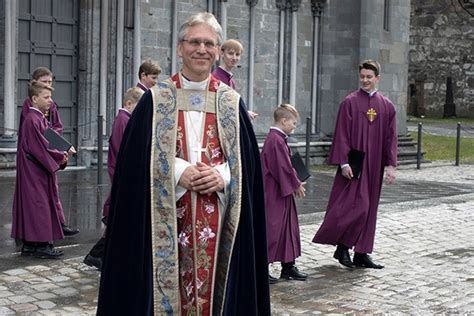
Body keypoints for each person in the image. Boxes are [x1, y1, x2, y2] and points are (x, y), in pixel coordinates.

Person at [97, 12, 270, 315]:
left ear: (217, 51)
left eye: (209, 43)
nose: (201, 49)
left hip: (220, 225)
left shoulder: (230, 102)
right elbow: (132, 168)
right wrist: (177, 172)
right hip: (164, 225)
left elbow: (248, 167)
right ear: (180, 48)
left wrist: (222, 176)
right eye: (194, 42)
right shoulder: (155, 100)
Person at [312, 60, 397, 269]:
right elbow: (341, 133)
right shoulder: (349, 102)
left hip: (374, 165)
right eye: (363, 77)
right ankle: (343, 246)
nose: (365, 80)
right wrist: (342, 162)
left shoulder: (387, 106)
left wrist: (391, 165)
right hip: (354, 165)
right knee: (356, 207)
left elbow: (390, 138)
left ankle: (362, 252)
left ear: (378, 78)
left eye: (369, 77)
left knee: (370, 209)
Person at [11, 81, 74, 259]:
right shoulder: (32, 119)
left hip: (36, 170)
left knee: (36, 206)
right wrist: (60, 157)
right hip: (34, 171)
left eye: (50, 97)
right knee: (39, 206)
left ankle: (31, 245)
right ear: (34, 98)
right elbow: (41, 148)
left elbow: (48, 138)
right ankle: (42, 246)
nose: (50, 101)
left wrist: (65, 148)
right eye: (46, 97)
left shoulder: (38, 118)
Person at [83, 87, 144, 270]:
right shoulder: (123, 120)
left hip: (125, 173)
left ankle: (101, 255)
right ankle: (96, 254)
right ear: (128, 103)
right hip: (123, 174)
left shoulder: (126, 119)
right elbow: (122, 150)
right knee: (118, 219)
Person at [18, 67, 79, 236]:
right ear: (35, 84)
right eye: (44, 82)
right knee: (38, 196)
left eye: (50, 82)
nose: (47, 85)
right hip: (37, 154)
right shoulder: (30, 107)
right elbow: (37, 133)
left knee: (52, 190)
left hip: (50, 148)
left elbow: (56, 127)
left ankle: (58, 223)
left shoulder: (50, 104)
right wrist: (60, 152)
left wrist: (63, 146)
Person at [261, 103, 308, 284]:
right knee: (272, 229)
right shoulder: (275, 140)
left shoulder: (278, 139)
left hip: (281, 192)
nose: (294, 127)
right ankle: (262, 269)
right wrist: (295, 183)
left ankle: (288, 266)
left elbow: (286, 167)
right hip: (274, 194)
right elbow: (282, 167)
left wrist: (294, 181)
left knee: (288, 229)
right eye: (293, 123)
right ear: (284, 121)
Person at [212, 39, 258, 120]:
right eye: (230, 53)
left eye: (237, 54)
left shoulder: (231, 81)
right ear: (222, 54)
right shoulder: (216, 78)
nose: (234, 58)